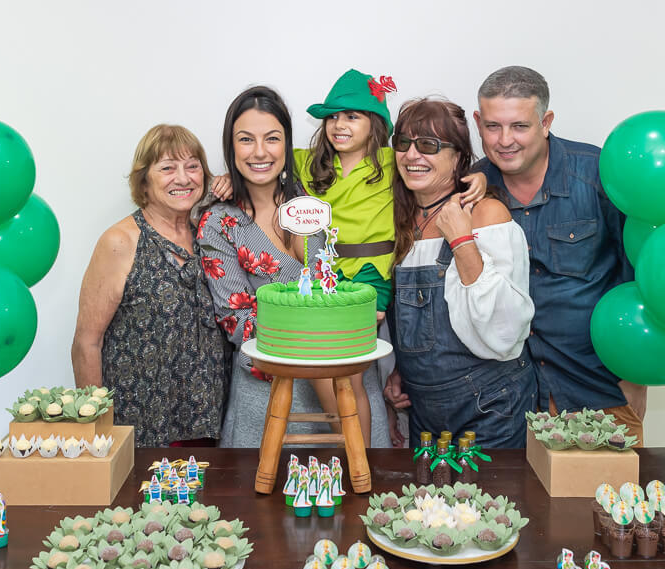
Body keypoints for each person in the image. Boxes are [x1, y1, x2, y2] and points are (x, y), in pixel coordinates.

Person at [211, 69, 486, 446]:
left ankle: (360, 452)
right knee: (334, 361)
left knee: (348, 370)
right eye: (333, 117)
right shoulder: (306, 164)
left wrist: (480, 177)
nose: (339, 125)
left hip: (372, 275)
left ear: (375, 125)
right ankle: (355, 447)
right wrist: (227, 175)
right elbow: (259, 159)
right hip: (330, 274)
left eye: (352, 116)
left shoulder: (394, 162)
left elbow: (439, 168)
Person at [197, 85, 390, 448]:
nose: (259, 152)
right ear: (230, 146)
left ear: (287, 144)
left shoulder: (316, 199)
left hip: (347, 388)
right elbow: (238, 322)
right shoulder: (219, 222)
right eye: (245, 139)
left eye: (272, 138)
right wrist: (319, 334)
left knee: (362, 491)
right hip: (270, 398)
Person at [471, 65, 645, 440]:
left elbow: (639, 274)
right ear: (477, 122)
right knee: (515, 500)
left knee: (607, 499)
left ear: (545, 121)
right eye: (492, 126)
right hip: (507, 400)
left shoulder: (599, 174)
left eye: (519, 126)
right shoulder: (473, 188)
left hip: (597, 390)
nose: (504, 140)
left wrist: (636, 374)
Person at [382, 98, 537, 448]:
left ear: (459, 157)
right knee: (428, 505)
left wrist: (462, 240)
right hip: (424, 413)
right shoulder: (399, 222)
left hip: (490, 407)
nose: (412, 155)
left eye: (429, 146)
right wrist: (400, 370)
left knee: (496, 505)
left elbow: (507, 328)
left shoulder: (487, 213)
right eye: (403, 144)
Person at [70, 124, 229, 447]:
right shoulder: (120, 241)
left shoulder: (210, 234)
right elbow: (86, 343)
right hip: (141, 429)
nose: (183, 178)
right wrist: (97, 432)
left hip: (209, 423)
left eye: (193, 166)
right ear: (144, 179)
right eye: (168, 168)